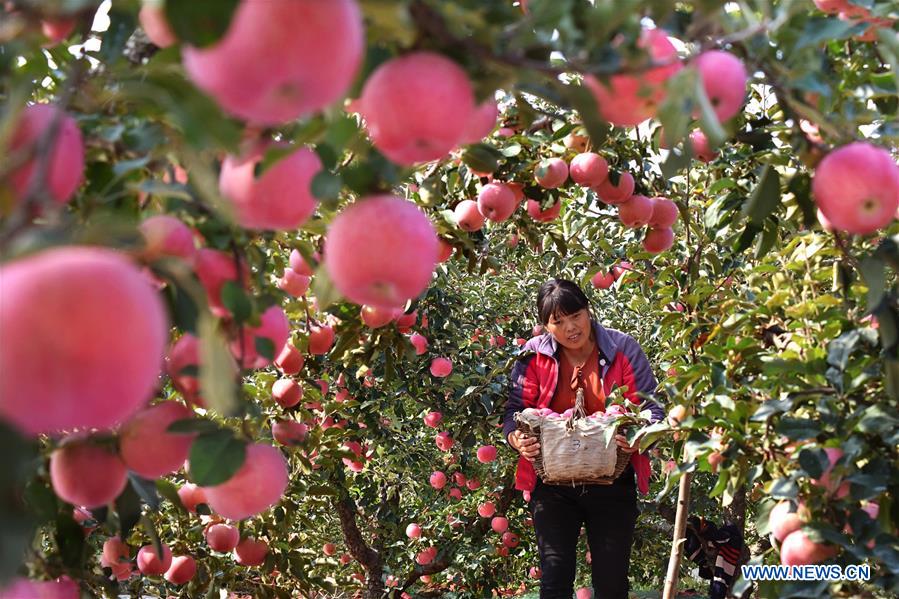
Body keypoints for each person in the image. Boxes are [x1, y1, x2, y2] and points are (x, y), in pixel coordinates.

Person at [503, 278, 665, 599]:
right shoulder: (532, 357)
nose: (570, 327)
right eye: (557, 322)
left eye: (575, 315)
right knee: (554, 579)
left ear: (588, 310)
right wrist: (516, 440)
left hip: (611, 482)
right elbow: (515, 411)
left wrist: (637, 436)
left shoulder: (623, 349)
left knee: (611, 582)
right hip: (551, 486)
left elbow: (652, 410)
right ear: (546, 326)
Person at [684, 516, 744, 599]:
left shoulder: (719, 535)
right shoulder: (695, 538)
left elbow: (719, 537)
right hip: (710, 564)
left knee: (719, 587)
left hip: (716, 565)